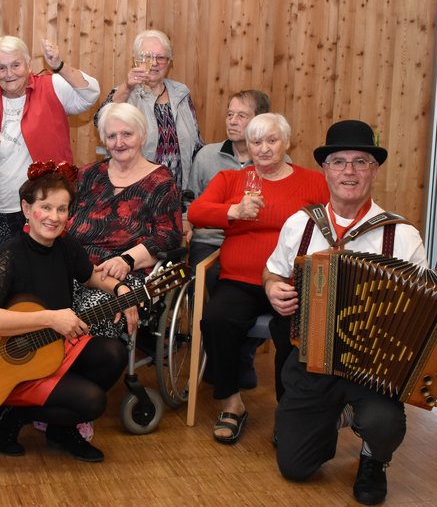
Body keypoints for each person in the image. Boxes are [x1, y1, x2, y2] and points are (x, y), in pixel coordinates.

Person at [264, 120, 437, 505]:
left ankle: (373, 458)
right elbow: (273, 271)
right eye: (339, 161)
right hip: (313, 365)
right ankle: (335, 417)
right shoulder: (301, 224)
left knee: (384, 424)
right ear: (326, 170)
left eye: (360, 161)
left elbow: (436, 309)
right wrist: (272, 288)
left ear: (374, 170)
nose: (350, 171)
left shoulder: (402, 235)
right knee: (295, 469)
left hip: (376, 373)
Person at [0, 161, 131, 463]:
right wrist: (51, 317)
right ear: (27, 208)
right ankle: (10, 415)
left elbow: (92, 276)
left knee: (113, 352)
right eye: (46, 207)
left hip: (51, 349)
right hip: (13, 366)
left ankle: (60, 429)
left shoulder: (65, 245)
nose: (54, 217)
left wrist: (121, 290)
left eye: (62, 209)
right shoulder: (10, 254)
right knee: (93, 402)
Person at [187, 113, 329, 444]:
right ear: (247, 146)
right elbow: (196, 213)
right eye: (255, 142)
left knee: (292, 331)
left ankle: (289, 411)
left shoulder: (313, 182)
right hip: (239, 279)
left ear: (287, 142)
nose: (263, 149)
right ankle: (231, 403)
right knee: (217, 320)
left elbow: (336, 223)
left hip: (291, 281)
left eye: (271, 140)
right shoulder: (231, 179)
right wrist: (233, 211)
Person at [0, 35, 100, 271]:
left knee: (46, 277)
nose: (9, 73)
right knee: (1, 281)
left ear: (28, 64)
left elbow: (90, 93)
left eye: (16, 65)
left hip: (47, 208)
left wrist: (58, 65)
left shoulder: (52, 86)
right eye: (1, 67)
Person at [68, 102, 183, 339]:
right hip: (75, 267)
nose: (119, 142)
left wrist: (127, 260)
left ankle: (88, 370)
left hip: (124, 274)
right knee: (40, 301)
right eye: (111, 136)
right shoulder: (89, 174)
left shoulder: (161, 182)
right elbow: (68, 219)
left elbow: (168, 236)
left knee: (91, 315)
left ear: (142, 136)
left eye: (127, 134)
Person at [187, 89, 271, 389]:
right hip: (209, 240)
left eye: (241, 115)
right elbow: (191, 202)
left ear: (260, 121)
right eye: (229, 114)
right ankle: (224, 355)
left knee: (259, 289)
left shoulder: (273, 159)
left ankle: (242, 355)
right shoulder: (208, 155)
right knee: (212, 287)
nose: (232, 121)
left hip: (252, 241)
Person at [94, 29, 203, 192]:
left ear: (169, 62)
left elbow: (197, 142)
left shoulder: (181, 93)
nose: (154, 63)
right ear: (136, 60)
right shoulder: (125, 93)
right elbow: (100, 122)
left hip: (178, 191)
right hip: (136, 192)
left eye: (160, 57)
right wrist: (127, 87)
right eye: (147, 57)